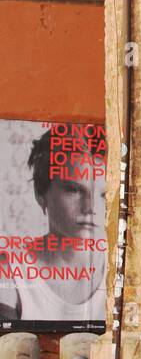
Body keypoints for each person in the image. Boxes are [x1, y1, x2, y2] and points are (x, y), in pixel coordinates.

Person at [0, 126, 106, 327]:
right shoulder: (8, 273)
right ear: (41, 193)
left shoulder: (128, 273)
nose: (91, 208)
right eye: (74, 189)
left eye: (105, 195)